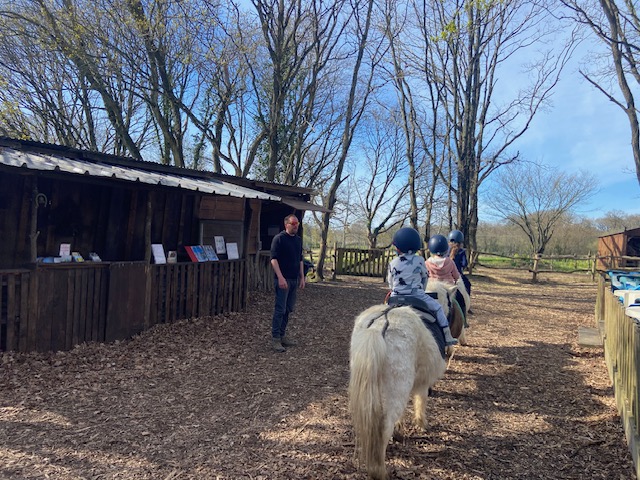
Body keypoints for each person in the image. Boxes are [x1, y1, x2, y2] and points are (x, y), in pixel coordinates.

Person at [387, 227, 457, 346]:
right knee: (438, 309)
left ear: (397, 248)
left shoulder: (393, 263)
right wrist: (422, 290)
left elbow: (390, 281)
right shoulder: (420, 260)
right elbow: (425, 277)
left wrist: (394, 290)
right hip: (417, 296)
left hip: (396, 297)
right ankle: (447, 335)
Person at [270, 214, 306, 352]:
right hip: (283, 279)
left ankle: (282, 335)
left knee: (288, 309)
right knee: (280, 309)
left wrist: (302, 277)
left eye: (297, 223)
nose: (296, 225)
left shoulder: (298, 240)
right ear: (287, 224)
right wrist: (280, 277)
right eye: (293, 223)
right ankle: (275, 339)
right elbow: (274, 259)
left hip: (293, 280)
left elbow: (300, 259)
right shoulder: (279, 239)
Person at [448, 229, 472, 298]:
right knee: (468, 285)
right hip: (457, 275)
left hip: (445, 275)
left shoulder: (446, 251)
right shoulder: (461, 251)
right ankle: (466, 306)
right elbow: (464, 264)